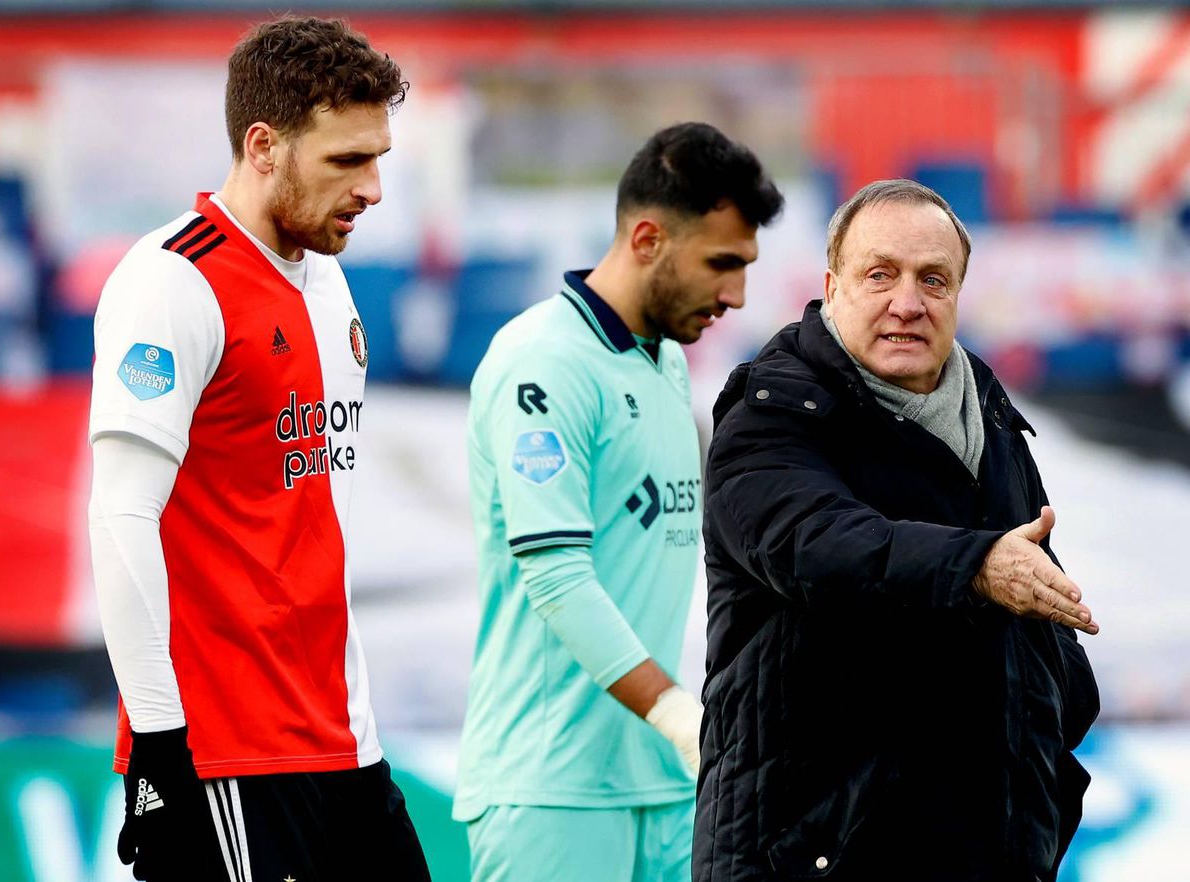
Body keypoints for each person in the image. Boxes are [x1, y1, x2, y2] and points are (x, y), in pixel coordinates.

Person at [86, 16, 430, 881]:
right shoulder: (173, 281)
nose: (375, 188)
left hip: (344, 740)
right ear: (264, 144)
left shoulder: (327, 273)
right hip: (226, 756)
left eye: (379, 157)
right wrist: (162, 746)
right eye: (348, 161)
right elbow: (121, 516)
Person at [695, 179, 1101, 882]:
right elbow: (820, 546)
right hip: (809, 858)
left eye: (932, 280)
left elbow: (1039, 611)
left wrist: (1049, 768)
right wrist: (977, 566)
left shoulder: (987, 411)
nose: (907, 304)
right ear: (832, 286)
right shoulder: (770, 413)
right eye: (880, 274)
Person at [454, 122, 783, 882]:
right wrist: (675, 713)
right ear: (646, 239)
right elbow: (558, 576)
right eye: (721, 264)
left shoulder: (663, 362)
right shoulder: (545, 361)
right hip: (552, 792)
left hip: (662, 781)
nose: (735, 294)